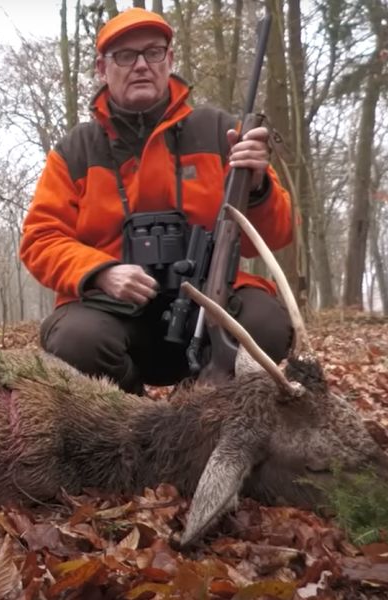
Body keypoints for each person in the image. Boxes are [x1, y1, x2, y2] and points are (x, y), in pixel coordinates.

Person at [20, 7, 294, 394]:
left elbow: (278, 235)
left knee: (266, 323)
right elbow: (40, 240)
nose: (141, 65)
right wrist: (102, 272)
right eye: (125, 56)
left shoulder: (221, 132)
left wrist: (258, 187)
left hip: (208, 304)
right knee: (74, 340)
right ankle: (133, 424)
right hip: (114, 314)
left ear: (170, 59)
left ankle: (205, 413)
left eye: (153, 52)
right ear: (102, 67)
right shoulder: (75, 150)